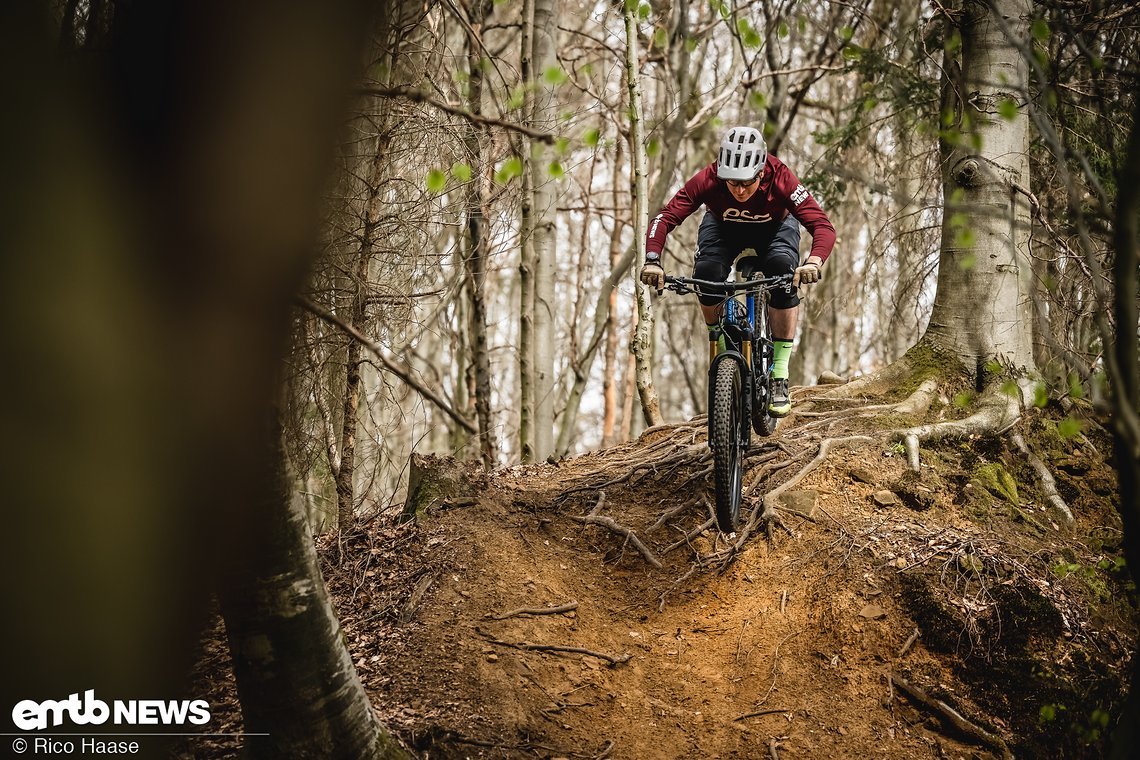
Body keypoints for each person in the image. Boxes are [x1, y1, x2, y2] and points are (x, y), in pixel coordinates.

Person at [640, 125, 836, 416]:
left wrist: (813, 261)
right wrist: (653, 259)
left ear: (761, 173)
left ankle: (779, 371)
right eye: (732, 184)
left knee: (783, 272)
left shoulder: (780, 176)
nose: (740, 190)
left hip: (775, 232)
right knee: (706, 272)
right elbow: (666, 217)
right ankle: (716, 335)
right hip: (723, 229)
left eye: (746, 183)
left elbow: (822, 225)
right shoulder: (708, 178)